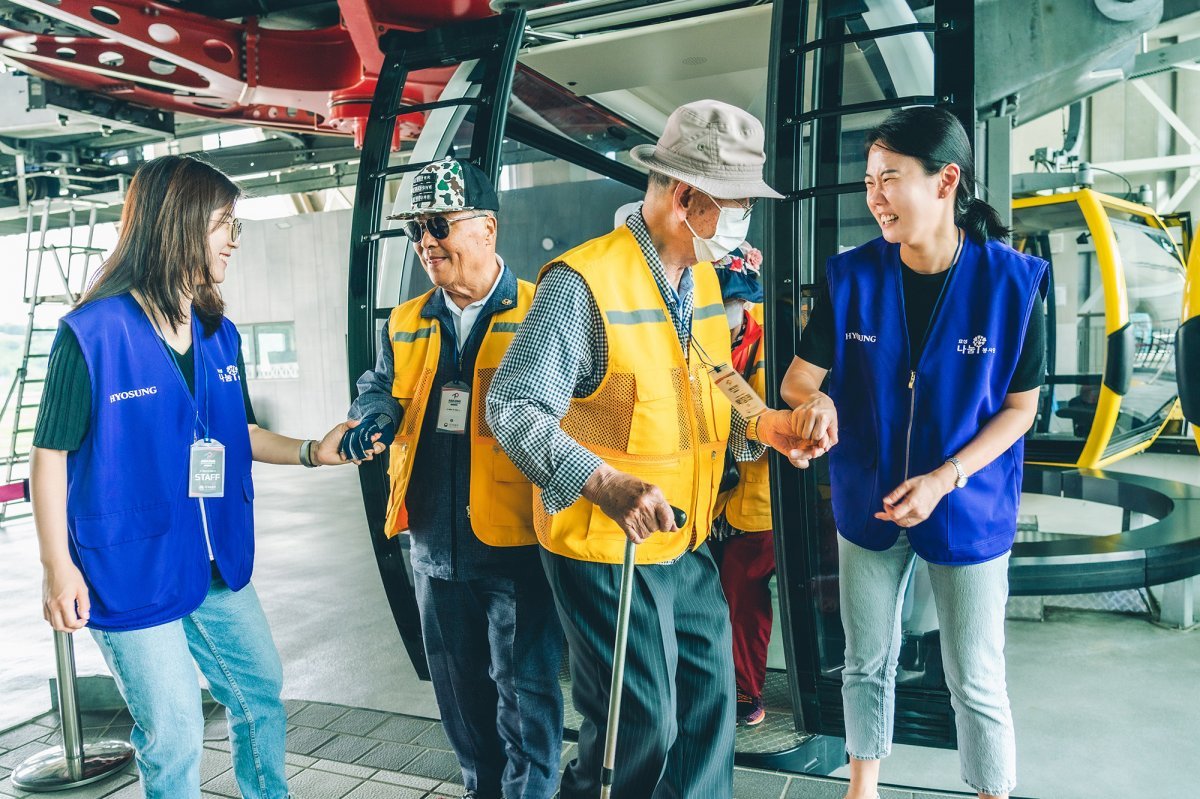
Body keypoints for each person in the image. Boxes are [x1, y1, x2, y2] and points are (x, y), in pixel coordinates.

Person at [486, 100, 819, 798]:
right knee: (640, 723)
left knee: (709, 705)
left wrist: (767, 425)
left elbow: (713, 377)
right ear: (684, 195)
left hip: (683, 534)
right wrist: (604, 483)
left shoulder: (696, 276)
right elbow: (512, 407)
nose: (742, 223)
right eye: (734, 205)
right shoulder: (581, 284)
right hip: (606, 545)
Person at [30, 154, 358, 799]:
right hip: (130, 564)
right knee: (174, 730)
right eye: (224, 224)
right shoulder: (92, 333)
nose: (235, 239)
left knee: (259, 692)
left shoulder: (218, 333)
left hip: (213, 557)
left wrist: (314, 452)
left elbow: (237, 435)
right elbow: (50, 455)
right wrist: (57, 567)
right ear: (178, 226)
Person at [781, 106, 1048, 799]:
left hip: (967, 503)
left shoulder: (1012, 285)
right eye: (869, 180)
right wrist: (822, 403)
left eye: (890, 177)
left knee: (976, 676)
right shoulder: (852, 277)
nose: (874, 195)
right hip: (867, 497)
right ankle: (861, 788)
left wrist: (945, 477)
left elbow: (1022, 410)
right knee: (866, 660)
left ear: (945, 181)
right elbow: (797, 381)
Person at [339, 157, 563, 799]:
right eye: (415, 231)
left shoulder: (544, 311)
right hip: (434, 543)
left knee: (526, 699)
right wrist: (374, 414)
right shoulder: (407, 319)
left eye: (438, 224)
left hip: (518, 545)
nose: (426, 243)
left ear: (486, 229)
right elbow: (379, 384)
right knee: (461, 702)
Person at [707, 242, 777, 728]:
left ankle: (745, 691)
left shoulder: (771, 341)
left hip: (758, 501)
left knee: (743, 593)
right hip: (703, 496)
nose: (729, 312)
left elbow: (764, 424)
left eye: (734, 302)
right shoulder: (689, 334)